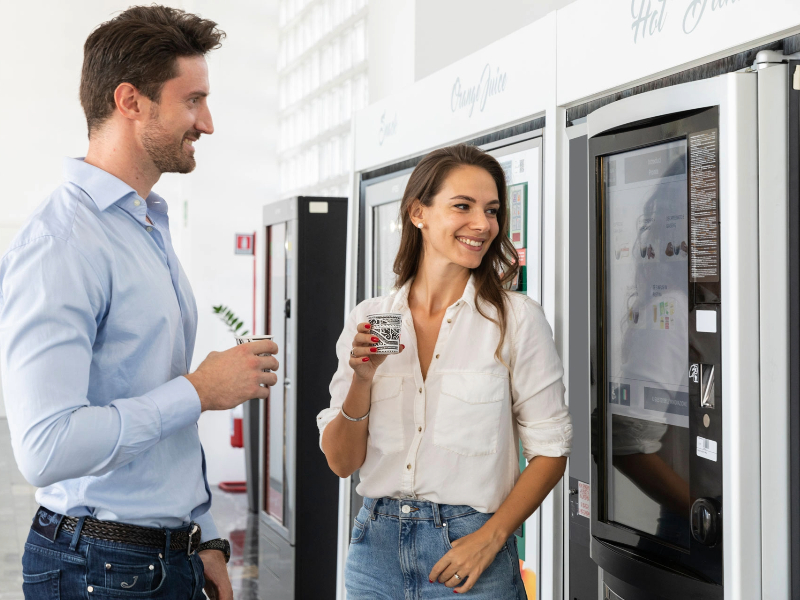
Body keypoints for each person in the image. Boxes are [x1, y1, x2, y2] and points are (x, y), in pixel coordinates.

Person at [0, 7, 278, 600]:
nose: (207, 123)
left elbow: (146, 400)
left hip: (155, 558)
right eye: (193, 100)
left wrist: (196, 536)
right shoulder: (61, 243)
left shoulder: (145, 223)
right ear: (131, 101)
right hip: (97, 569)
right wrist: (199, 392)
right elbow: (45, 448)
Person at [317, 144, 572, 598]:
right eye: (463, 206)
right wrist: (362, 378)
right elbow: (342, 462)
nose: (482, 224)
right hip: (373, 553)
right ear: (419, 212)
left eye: (492, 210)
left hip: (470, 555)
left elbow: (551, 450)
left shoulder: (516, 320)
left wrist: (492, 538)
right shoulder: (372, 317)